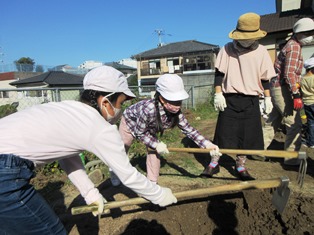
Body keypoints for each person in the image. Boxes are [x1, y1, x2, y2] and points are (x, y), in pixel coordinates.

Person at [0, 65, 177, 235]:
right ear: (105, 102)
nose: (120, 110)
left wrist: (90, 192)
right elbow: (128, 175)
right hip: (5, 172)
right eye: (121, 102)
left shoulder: (69, 109)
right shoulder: (99, 127)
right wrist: (159, 194)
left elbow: (67, 156)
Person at [110, 73, 221, 185]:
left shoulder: (176, 112)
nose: (178, 105)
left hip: (150, 128)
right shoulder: (149, 109)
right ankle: (114, 172)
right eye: (174, 101)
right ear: (162, 99)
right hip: (130, 122)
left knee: (154, 152)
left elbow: (189, 129)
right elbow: (140, 132)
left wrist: (207, 145)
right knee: (123, 149)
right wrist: (156, 144)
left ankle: (152, 182)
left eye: (179, 101)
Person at [210, 12, 276, 181]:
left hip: (251, 100)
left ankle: (240, 165)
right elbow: (219, 74)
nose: (245, 40)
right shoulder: (227, 49)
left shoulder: (261, 51)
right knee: (222, 133)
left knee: (247, 136)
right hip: (229, 98)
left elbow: (265, 79)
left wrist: (268, 98)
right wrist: (218, 94)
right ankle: (214, 162)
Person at [264, 17, 314, 165]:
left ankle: (258, 151)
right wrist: (296, 94)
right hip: (283, 88)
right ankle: (292, 158)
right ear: (298, 33)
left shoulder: (290, 45)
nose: (310, 36)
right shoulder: (294, 47)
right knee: (294, 123)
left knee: (273, 121)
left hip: (277, 86)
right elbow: (289, 73)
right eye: (307, 33)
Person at [300, 57, 314, 148]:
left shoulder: (302, 79)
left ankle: (311, 142)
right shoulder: (313, 78)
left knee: (311, 122)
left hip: (306, 103)